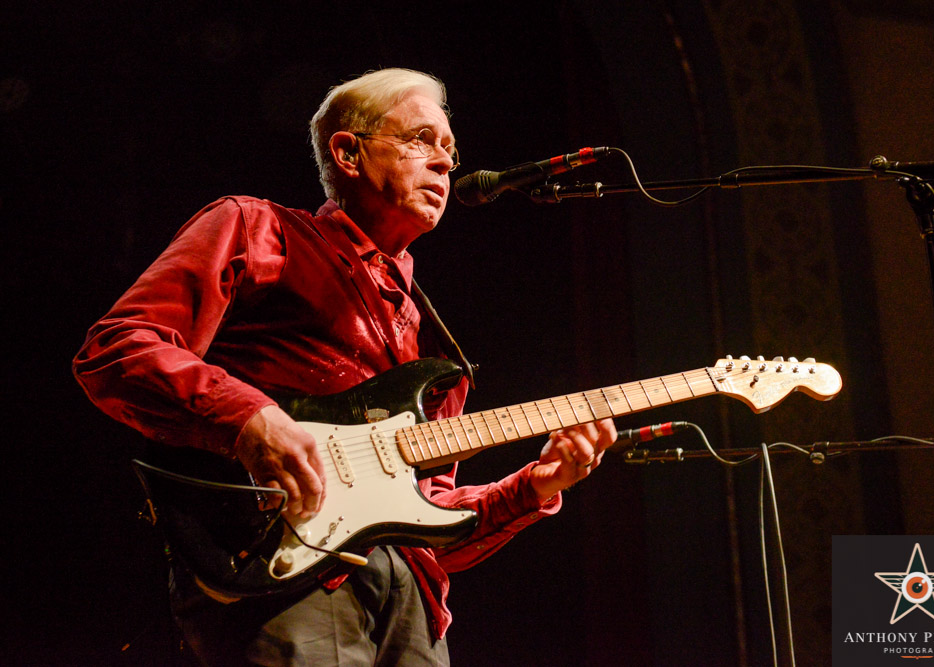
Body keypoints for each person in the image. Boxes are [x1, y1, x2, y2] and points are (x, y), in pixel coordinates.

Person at [72, 67, 615, 666]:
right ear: (347, 152)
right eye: (421, 139)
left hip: (415, 610)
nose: (444, 162)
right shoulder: (259, 229)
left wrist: (535, 487)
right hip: (282, 570)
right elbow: (120, 347)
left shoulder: (436, 350)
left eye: (449, 149)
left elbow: (431, 519)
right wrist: (250, 420)